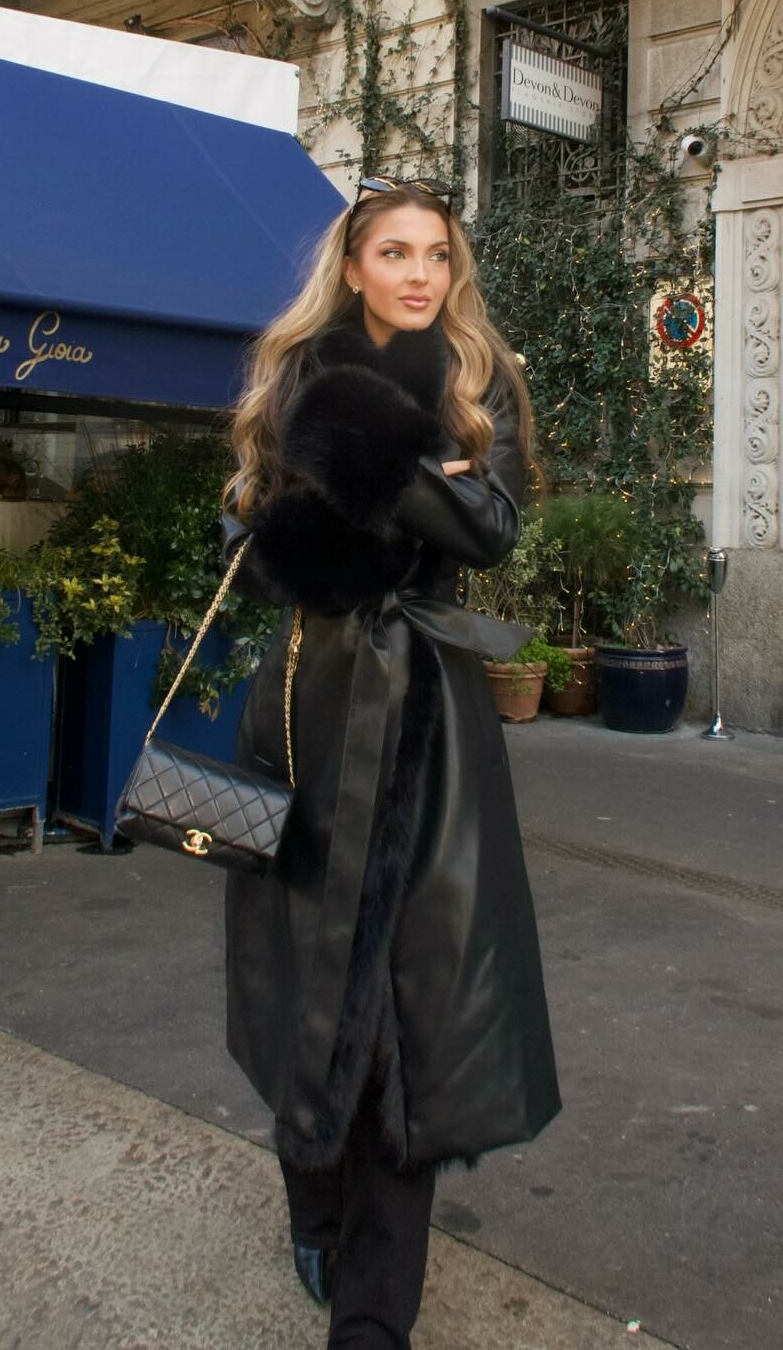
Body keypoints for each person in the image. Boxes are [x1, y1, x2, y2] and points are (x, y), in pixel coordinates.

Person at [220, 176, 560, 1349]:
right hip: (304, 704)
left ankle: (373, 1315)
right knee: (297, 972)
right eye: (396, 253)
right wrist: (409, 485)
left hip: (427, 721)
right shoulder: (293, 372)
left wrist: (368, 461)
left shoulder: (475, 379)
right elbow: (253, 533)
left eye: (437, 254)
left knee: (407, 1006)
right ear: (354, 265)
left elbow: (489, 529)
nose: (420, 274)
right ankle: (311, 1197)